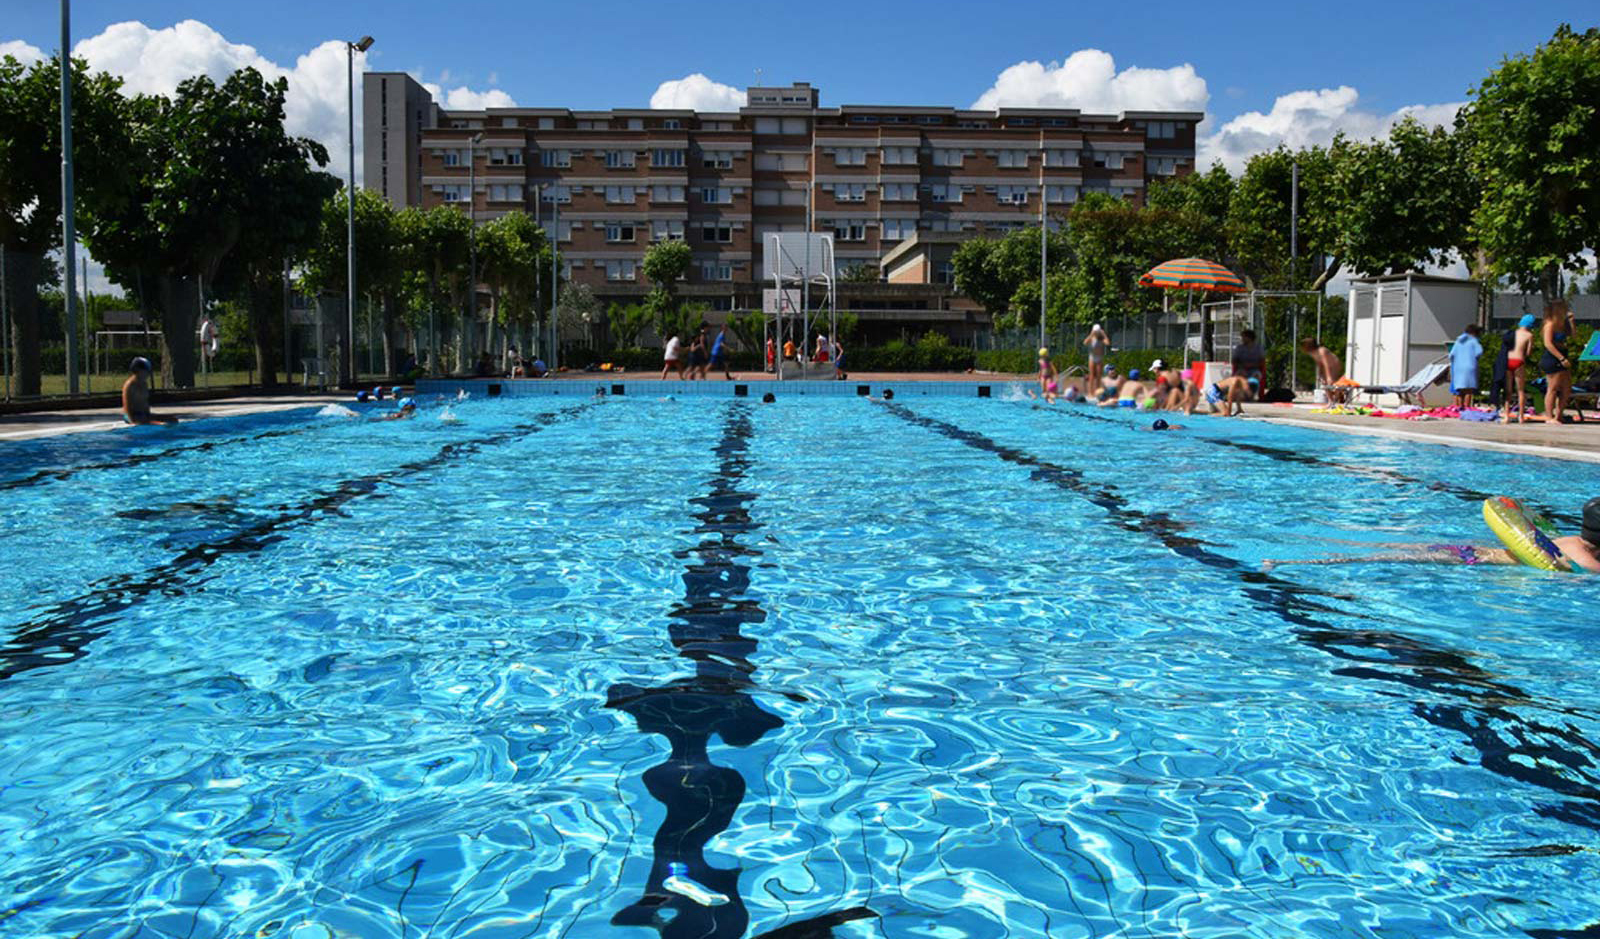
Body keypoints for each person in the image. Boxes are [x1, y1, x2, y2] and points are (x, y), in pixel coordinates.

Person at [1263, 497, 1600, 574]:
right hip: (1475, 560)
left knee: (1384, 549)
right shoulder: (1589, 562)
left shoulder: (1571, 540)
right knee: (1382, 556)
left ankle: (1297, 553)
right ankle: (1288, 560)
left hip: (1473, 550)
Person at [1541, 299, 1577, 424]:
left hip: (1563, 356)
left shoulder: (1562, 325)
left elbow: (1573, 337)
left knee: (1566, 388)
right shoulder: (1549, 324)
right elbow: (1548, 344)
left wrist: (1572, 323)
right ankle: (1549, 416)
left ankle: (1559, 415)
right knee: (1553, 388)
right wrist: (1561, 358)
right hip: (1553, 358)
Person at [121, 357, 178, 425]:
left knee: (173, 419)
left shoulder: (144, 384)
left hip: (144, 415)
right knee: (162, 424)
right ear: (138, 370)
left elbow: (145, 403)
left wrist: (149, 417)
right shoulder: (129, 385)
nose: (148, 373)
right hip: (132, 416)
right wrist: (133, 422)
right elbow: (126, 406)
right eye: (147, 371)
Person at [1503, 314, 1536, 423]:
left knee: (1508, 390)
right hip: (1519, 361)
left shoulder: (1513, 333)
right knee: (1520, 390)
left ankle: (1506, 416)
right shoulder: (1529, 335)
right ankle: (1521, 416)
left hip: (1508, 360)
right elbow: (1528, 352)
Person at [1448, 324, 1484, 408]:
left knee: (1460, 390)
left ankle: (1460, 408)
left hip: (1458, 368)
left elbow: (1451, 355)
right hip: (1470, 366)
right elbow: (1479, 352)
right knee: (1469, 390)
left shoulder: (1458, 341)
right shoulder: (1474, 341)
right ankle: (1467, 408)